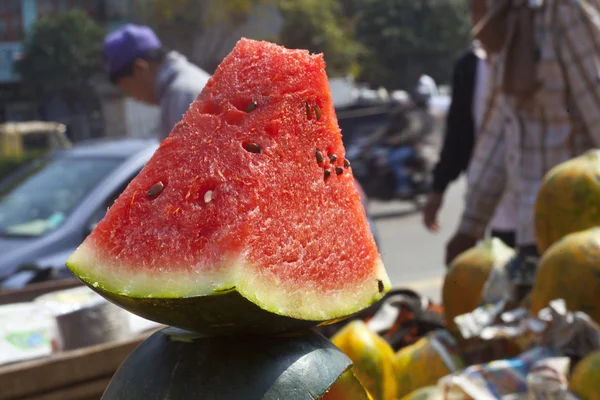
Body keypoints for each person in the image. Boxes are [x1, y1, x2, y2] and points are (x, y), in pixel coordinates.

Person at [445, 0, 600, 289]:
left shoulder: (565, 13)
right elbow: (499, 134)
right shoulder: (509, 19)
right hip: (532, 234)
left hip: (584, 234)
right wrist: (470, 225)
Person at [423, 0, 517, 248]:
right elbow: (458, 135)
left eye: (486, 8)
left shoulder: (534, 55)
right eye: (475, 10)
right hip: (499, 210)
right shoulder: (469, 67)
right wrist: (438, 189)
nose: (481, 18)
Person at [103, 24, 211, 140]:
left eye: (128, 89)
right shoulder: (181, 88)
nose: (135, 99)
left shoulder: (182, 96)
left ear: (140, 68)